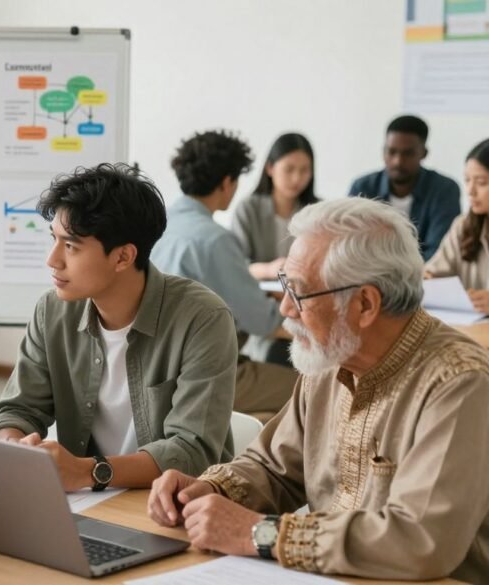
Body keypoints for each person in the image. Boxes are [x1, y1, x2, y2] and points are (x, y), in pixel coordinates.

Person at [147, 198, 489, 583]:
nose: (287, 311)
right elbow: (273, 469)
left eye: (300, 294)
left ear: (364, 304)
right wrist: (209, 490)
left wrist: (260, 534)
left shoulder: (459, 383)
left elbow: (421, 541)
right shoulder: (332, 357)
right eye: (284, 288)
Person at [0, 163, 238, 493]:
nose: (52, 259)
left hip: (175, 503)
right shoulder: (52, 310)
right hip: (85, 500)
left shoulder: (203, 318)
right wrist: (17, 447)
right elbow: (17, 410)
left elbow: (192, 451)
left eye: (71, 246)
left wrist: (87, 471)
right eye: (54, 240)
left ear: (122, 257)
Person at [151, 130, 297, 416]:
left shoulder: (159, 226)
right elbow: (262, 321)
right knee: (313, 389)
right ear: (227, 182)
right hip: (202, 375)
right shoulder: (214, 240)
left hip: (157, 373)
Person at [349, 114, 461, 261]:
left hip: (424, 277)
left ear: (424, 153)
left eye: (408, 153)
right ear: (383, 151)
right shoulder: (363, 187)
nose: (398, 161)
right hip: (373, 276)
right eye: (391, 152)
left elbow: (440, 251)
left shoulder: (445, 189)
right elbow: (352, 245)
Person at [232, 132, 320, 281]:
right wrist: (268, 270)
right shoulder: (248, 209)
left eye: (304, 170)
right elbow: (235, 266)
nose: (296, 178)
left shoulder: (318, 211)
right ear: (270, 168)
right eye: (289, 169)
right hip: (257, 296)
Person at [425, 139, 489, 313]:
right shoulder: (463, 226)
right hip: (470, 331)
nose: (470, 190)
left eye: (482, 182)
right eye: (467, 180)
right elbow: (433, 273)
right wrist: (427, 280)